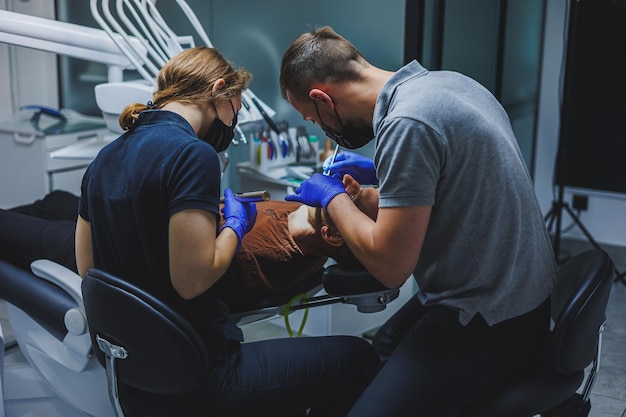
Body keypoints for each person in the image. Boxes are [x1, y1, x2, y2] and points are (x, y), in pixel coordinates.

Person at [73, 46, 379, 417]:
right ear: (219, 91)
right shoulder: (192, 154)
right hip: (201, 377)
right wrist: (235, 225)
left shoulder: (105, 158)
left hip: (135, 378)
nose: (232, 125)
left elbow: (88, 269)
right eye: (235, 109)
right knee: (360, 356)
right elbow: (192, 280)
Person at [279, 26, 557, 416]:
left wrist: (333, 197)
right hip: (520, 295)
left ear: (323, 100)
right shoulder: (446, 84)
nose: (320, 128)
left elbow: (391, 267)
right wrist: (373, 184)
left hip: (492, 317)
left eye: (314, 120)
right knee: (374, 359)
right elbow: (445, 191)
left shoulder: (407, 123)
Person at [0, 173, 373, 312]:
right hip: (132, 225)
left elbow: (184, 268)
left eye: (352, 200)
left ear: (333, 234)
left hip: (114, 250)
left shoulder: (264, 256)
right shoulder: (302, 217)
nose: (347, 188)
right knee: (54, 200)